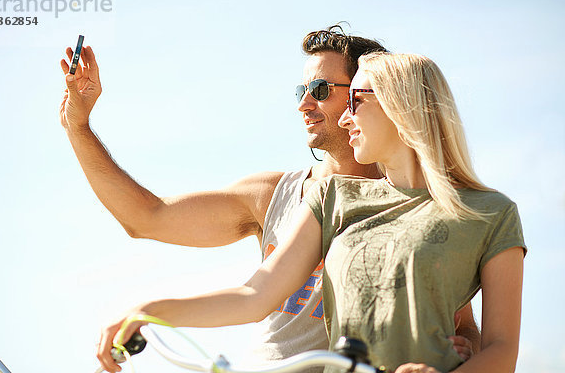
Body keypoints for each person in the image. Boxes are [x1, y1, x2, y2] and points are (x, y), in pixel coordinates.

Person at [59, 27, 479, 372]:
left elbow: (463, 329)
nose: (303, 103)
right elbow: (146, 218)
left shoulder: (418, 206)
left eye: (319, 88)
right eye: (301, 88)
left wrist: (459, 357)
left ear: (367, 95)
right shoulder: (274, 194)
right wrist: (78, 126)